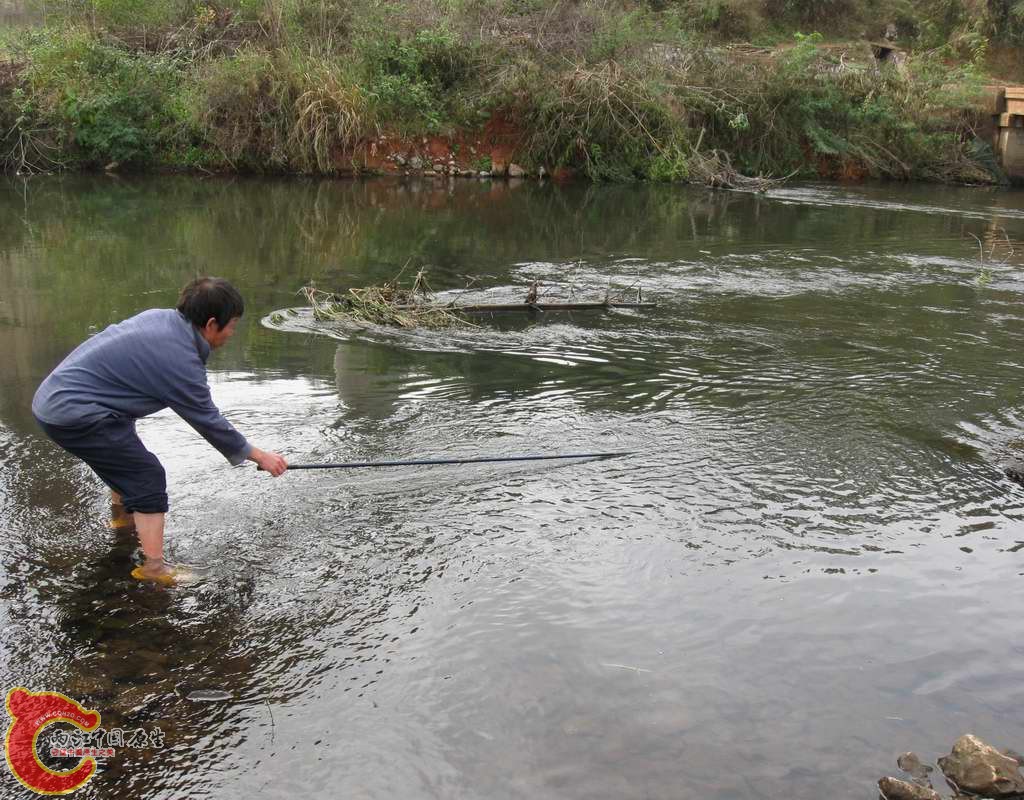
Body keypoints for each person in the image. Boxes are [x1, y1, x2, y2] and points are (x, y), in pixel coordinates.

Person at [32, 277, 288, 584]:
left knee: (124, 452)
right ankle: (154, 568)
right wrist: (260, 456)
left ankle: (122, 524)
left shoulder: (160, 319)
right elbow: (208, 421)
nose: (232, 334)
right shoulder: (180, 359)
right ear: (210, 324)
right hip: (75, 413)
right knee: (147, 475)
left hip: (56, 401)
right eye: (231, 326)